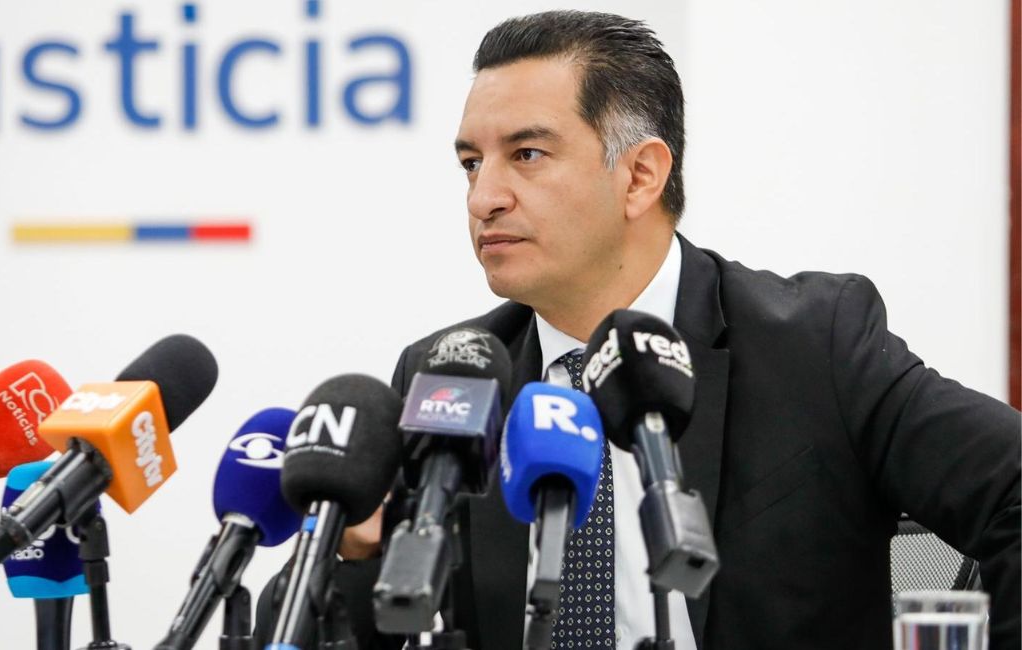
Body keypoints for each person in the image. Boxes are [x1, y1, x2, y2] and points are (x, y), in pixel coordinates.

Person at [257, 10, 1021, 649]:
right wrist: (351, 553)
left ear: (641, 175)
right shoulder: (456, 380)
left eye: (527, 154)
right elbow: (299, 628)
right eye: (470, 163)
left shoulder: (814, 345)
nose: (484, 196)